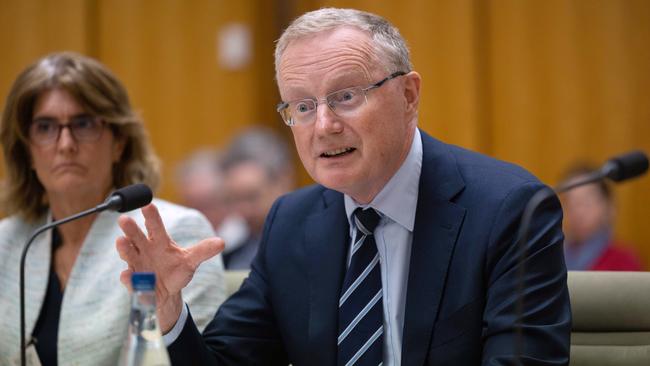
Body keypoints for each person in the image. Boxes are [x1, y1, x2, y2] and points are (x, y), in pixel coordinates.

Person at [116, 8, 571, 365]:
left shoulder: (508, 209)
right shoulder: (291, 223)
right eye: (303, 106)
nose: (324, 126)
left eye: (346, 97)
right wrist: (169, 310)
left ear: (409, 96)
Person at [0, 52, 226, 366]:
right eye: (45, 127)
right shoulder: (8, 242)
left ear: (119, 141)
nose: (65, 144)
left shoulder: (174, 233)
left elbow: (197, 359)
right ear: (26, 149)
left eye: (83, 123)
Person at [220, 126, 295, 269]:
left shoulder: (320, 243)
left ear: (283, 181)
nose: (244, 210)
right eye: (234, 199)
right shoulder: (229, 256)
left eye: (251, 197)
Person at [561, 164, 643, 271]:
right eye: (571, 203)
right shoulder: (553, 257)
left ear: (608, 206)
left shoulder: (623, 260)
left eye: (586, 202)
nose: (578, 211)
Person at [174, 148, 249, 257]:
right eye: (190, 207)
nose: (196, 216)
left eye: (204, 206)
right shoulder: (179, 242)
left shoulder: (249, 240)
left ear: (226, 202)